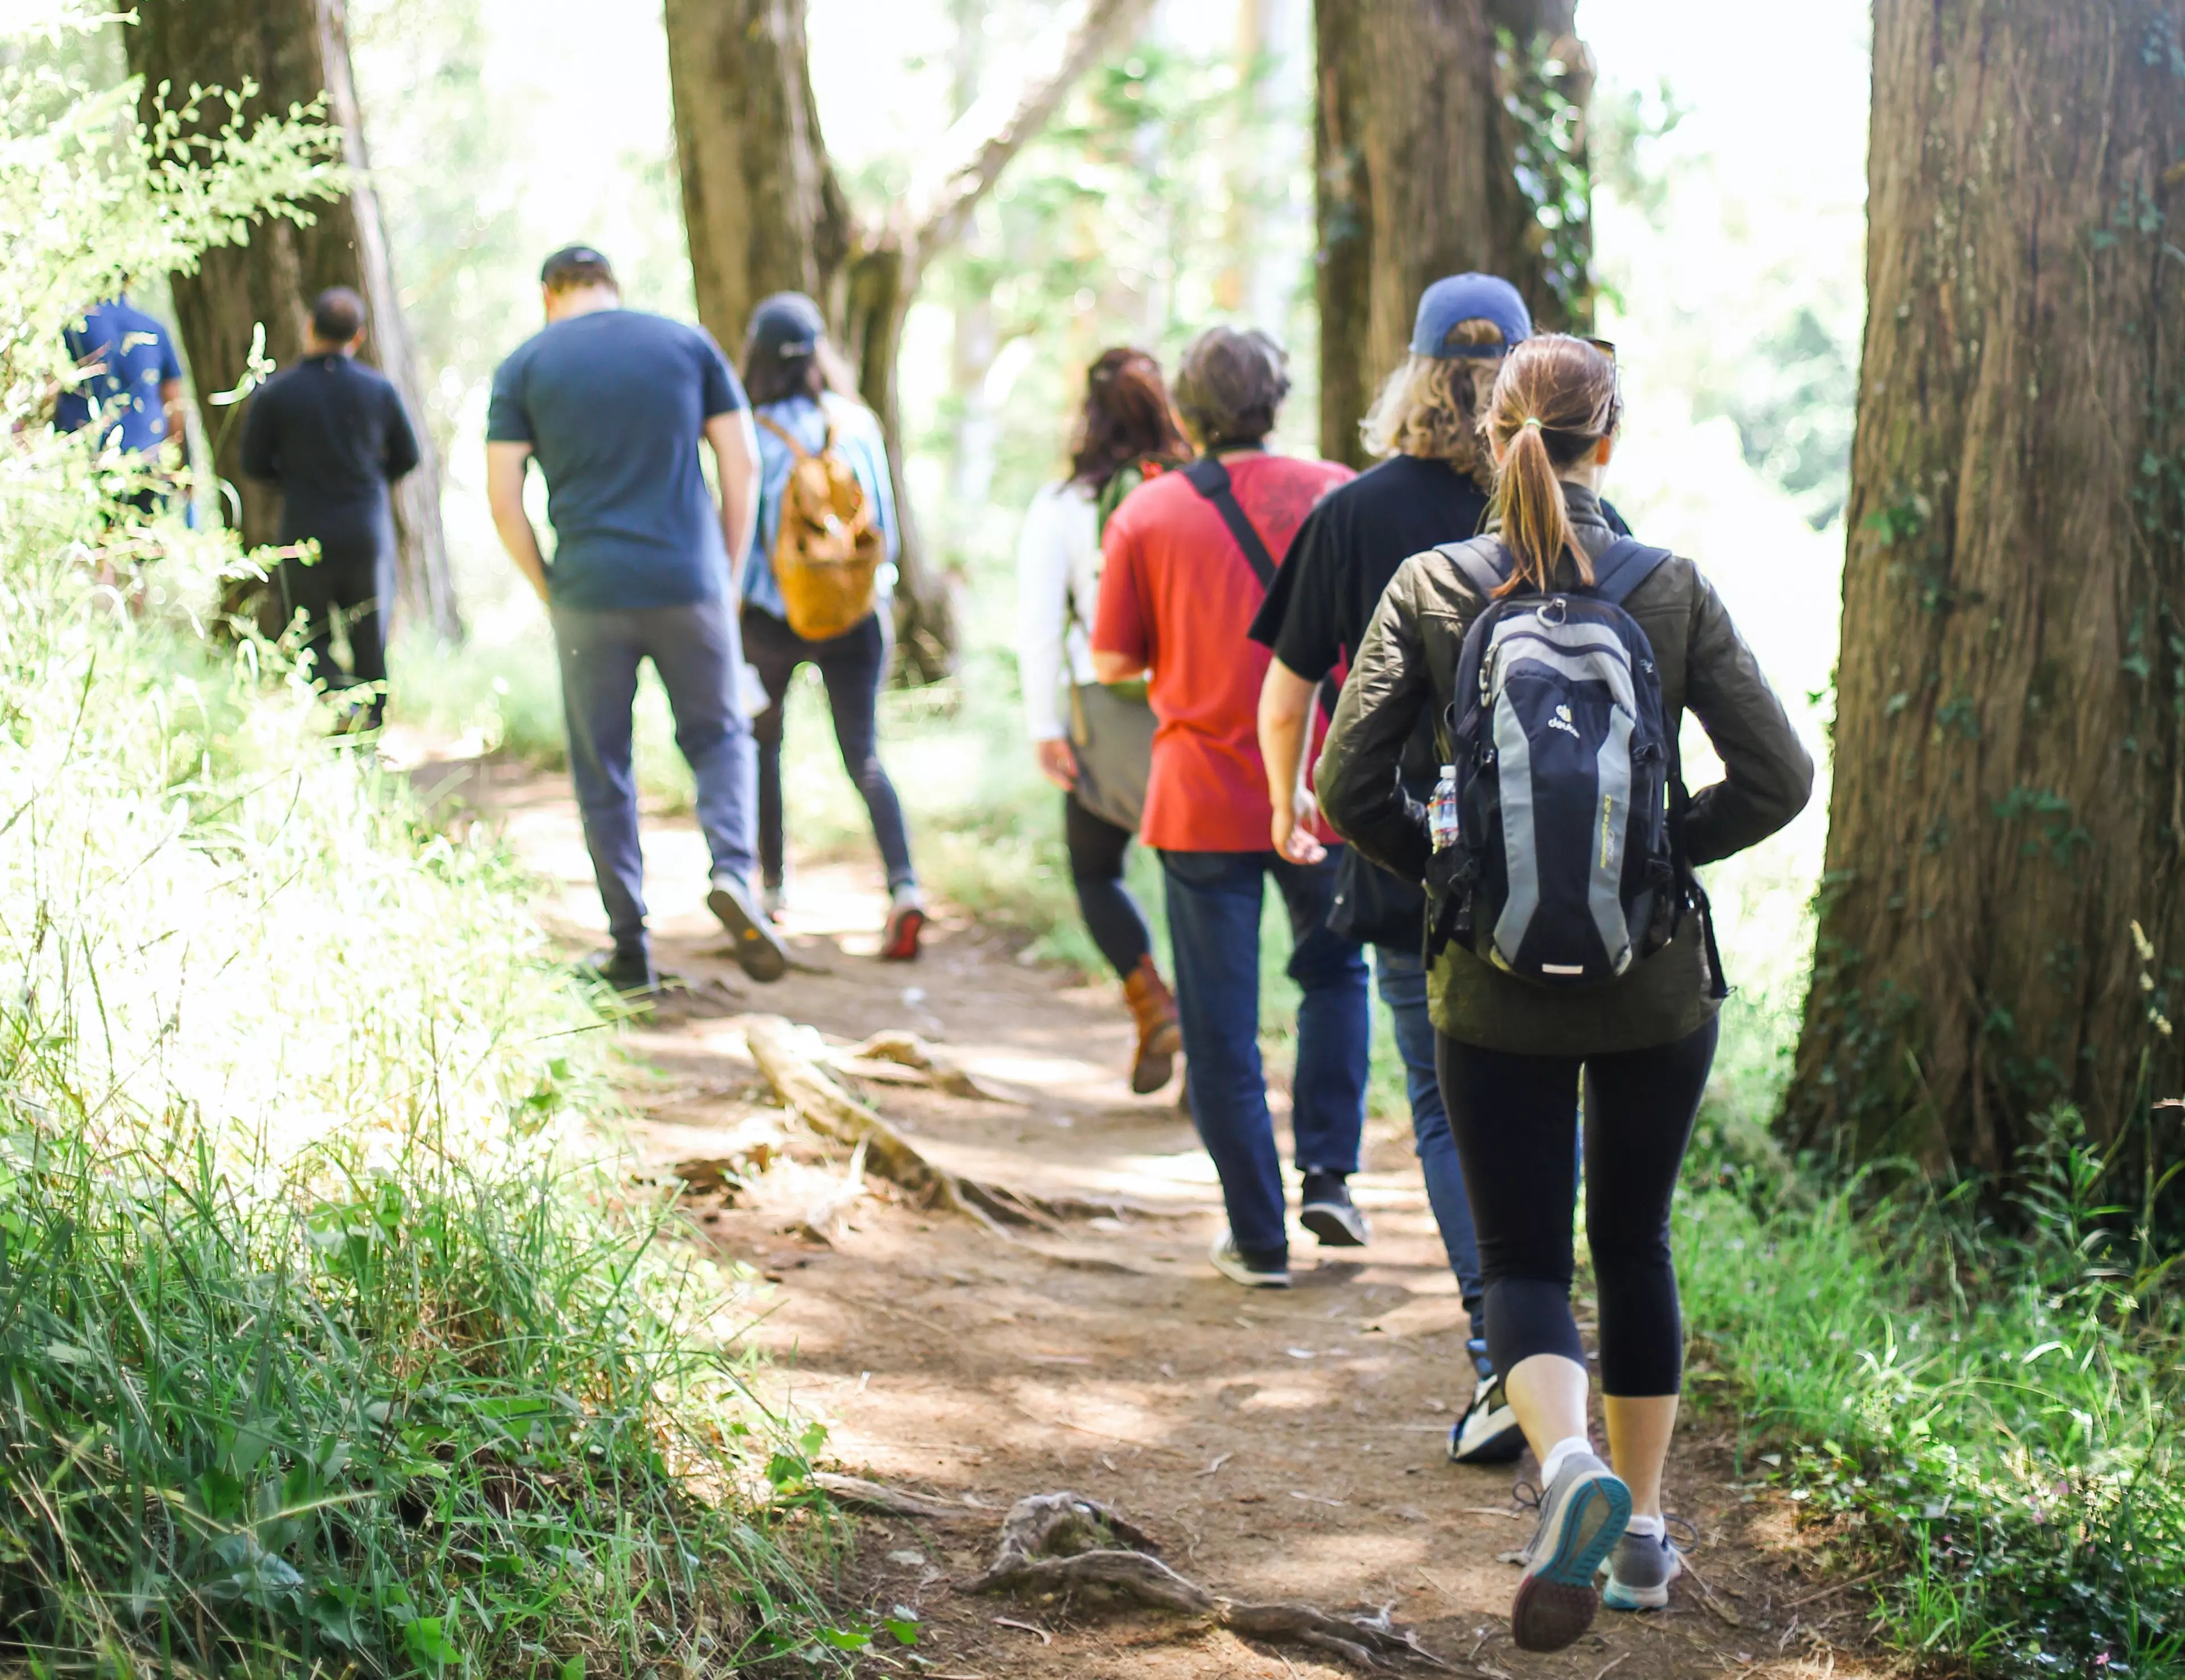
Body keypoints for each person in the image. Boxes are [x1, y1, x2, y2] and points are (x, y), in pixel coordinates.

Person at [1318, 335, 1812, 1649]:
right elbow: (1778, 778)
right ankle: (1642, 1533)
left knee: (1527, 1251)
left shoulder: (1431, 585)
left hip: (1487, 986)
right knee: (1634, 1237)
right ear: (1612, 440)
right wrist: (1655, 854)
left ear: (1491, 436)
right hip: (1652, 987)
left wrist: (1453, 875)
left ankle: (1566, 1468)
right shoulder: (1670, 586)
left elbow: (1342, 789)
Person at [1251, 274, 1627, 1467]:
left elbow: (1287, 696)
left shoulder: (1355, 515)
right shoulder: (1584, 518)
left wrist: (1289, 806)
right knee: (1558, 1101)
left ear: (1411, 375)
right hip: (1583, 870)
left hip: (1418, 864)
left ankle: (1502, 1363)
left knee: (1452, 1117)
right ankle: (1553, 1355)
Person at [1091, 325, 1366, 1290]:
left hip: (1202, 794)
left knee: (1220, 1025)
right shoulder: (1336, 491)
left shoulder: (1148, 514)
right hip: (1323, 785)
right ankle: (1330, 1171)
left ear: (1190, 411)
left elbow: (1113, 659)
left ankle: (1258, 1238)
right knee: (1336, 975)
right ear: (1277, 398)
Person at [486, 244, 789, 994]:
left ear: (550, 294)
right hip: (689, 583)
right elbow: (740, 462)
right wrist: (724, 570)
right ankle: (734, 871)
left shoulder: (525, 364)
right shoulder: (686, 344)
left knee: (604, 767)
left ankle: (630, 948)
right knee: (720, 737)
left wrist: (547, 585)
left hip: (588, 592)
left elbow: (503, 497)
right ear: (611, 288)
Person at [1016, 348, 1191, 1092]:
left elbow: (1037, 624)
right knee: (1198, 885)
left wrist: (1045, 726)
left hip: (1102, 712)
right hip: (1194, 712)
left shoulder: (1064, 506)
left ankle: (1151, 997)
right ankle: (1210, 1052)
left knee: (1096, 870)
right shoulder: (1196, 491)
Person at [738, 293, 923, 961]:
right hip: (854, 616)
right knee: (864, 755)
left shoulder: (748, 432)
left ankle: (769, 886)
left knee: (764, 746)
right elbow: (888, 536)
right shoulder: (856, 424)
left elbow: (742, 541)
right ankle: (904, 888)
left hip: (771, 619)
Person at [241, 287, 420, 729]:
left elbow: (252, 464)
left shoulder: (277, 394)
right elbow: (409, 456)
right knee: (370, 637)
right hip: (366, 532)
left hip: (306, 529)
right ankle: (370, 732)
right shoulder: (378, 390)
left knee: (311, 634)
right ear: (357, 338)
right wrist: (373, 479)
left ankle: (336, 712)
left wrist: (293, 478)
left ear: (310, 327)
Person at [57, 293, 185, 464]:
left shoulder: (73, 327)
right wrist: (183, 465)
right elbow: (174, 405)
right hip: (146, 463)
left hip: (83, 459)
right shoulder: (154, 329)